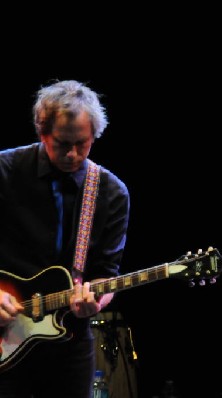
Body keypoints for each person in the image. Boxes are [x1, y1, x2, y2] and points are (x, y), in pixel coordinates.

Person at [0, 80, 130, 397]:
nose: (72, 154)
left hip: (69, 343)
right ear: (42, 132)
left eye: (82, 144)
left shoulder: (111, 192)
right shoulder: (5, 170)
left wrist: (94, 301)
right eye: (61, 143)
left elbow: (105, 271)